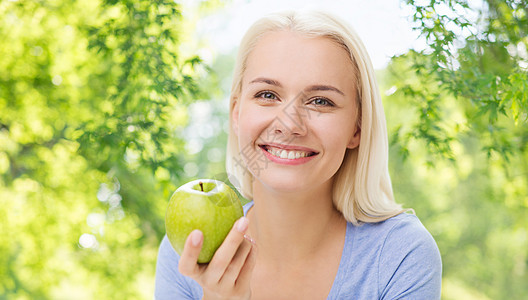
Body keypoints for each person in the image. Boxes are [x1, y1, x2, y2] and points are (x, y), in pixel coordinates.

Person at [155, 10, 442, 300]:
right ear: (237, 113)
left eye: (321, 101)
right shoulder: (189, 250)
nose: (289, 125)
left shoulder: (399, 255)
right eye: (267, 95)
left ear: (357, 127)